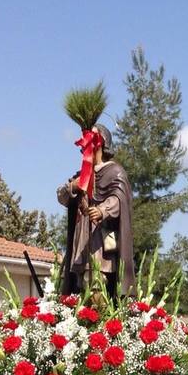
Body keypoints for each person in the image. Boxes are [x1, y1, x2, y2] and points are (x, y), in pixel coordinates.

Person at [56, 123, 136, 298]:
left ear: (100, 142)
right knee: (79, 284)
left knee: (96, 281)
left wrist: (102, 210)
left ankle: (96, 319)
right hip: (81, 236)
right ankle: (82, 319)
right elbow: (62, 198)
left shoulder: (114, 171)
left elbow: (119, 198)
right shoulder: (80, 175)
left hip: (100, 237)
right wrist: (72, 187)